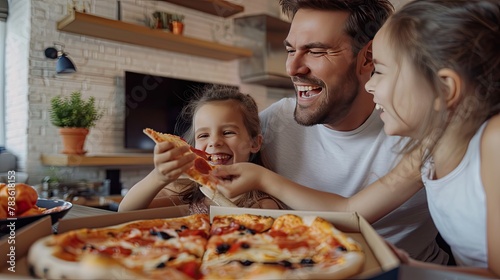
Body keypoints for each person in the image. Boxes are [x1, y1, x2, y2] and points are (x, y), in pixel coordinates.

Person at [214, 0, 449, 265]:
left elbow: (349, 212)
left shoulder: (423, 132)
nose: (292, 68)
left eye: (315, 51)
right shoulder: (271, 124)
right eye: (291, 50)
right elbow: (194, 185)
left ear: (368, 57)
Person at [364, 0, 499, 277]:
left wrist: (408, 270)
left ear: (445, 88)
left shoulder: (494, 141)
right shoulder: (431, 148)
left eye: (379, 70)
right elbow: (348, 208)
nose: (368, 84)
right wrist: (263, 178)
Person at [118, 85, 284, 214]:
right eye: (203, 135)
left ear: (254, 143)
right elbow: (126, 211)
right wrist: (158, 177)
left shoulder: (262, 204)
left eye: (227, 132)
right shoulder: (187, 191)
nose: (214, 142)